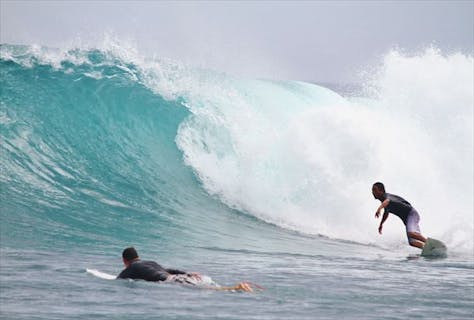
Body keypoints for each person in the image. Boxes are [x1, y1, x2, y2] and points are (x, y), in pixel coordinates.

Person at [117, 247, 257, 292]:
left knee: (210, 290)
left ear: (125, 261)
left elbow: (118, 279)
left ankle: (238, 287)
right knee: (210, 287)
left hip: (173, 281)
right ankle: (237, 287)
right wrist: (187, 273)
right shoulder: (150, 262)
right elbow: (169, 269)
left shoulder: (131, 267)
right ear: (138, 256)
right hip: (181, 277)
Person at [372, 182, 427, 248]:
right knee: (412, 242)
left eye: (375, 190)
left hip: (411, 214)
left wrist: (379, 208)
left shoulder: (387, 196)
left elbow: (387, 201)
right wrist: (381, 224)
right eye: (372, 190)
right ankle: (426, 248)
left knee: (411, 234)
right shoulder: (385, 202)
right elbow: (386, 213)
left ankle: (428, 242)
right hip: (407, 219)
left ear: (381, 191)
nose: (373, 192)